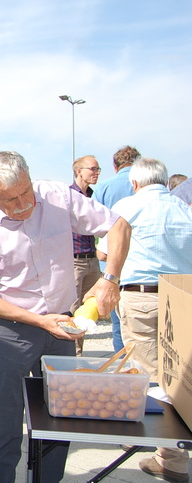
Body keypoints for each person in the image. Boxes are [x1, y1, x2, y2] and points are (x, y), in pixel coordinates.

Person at [0, 151, 130, 483]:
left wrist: (111, 279)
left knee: (59, 415)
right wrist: (40, 321)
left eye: (26, 192)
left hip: (63, 325)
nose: (24, 204)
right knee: (6, 418)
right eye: (11, 199)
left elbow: (119, 225)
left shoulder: (58, 196)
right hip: (12, 331)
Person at [97, 158, 192, 483]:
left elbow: (103, 251)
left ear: (135, 183)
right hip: (182, 296)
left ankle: (166, 452)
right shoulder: (184, 208)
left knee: (148, 372)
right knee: (178, 373)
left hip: (141, 296)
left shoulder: (129, 205)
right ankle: (168, 450)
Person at [92, 145, 141, 353]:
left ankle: (123, 368)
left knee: (118, 323)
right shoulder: (144, 186)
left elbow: (94, 227)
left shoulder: (103, 188)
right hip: (143, 262)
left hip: (112, 263)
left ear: (114, 166)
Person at [69, 155, 102, 356]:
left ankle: (78, 352)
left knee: (89, 310)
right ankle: (72, 355)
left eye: (98, 169)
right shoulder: (68, 196)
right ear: (79, 171)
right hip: (73, 260)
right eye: (93, 169)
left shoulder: (93, 196)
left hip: (92, 258)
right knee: (71, 310)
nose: (96, 173)